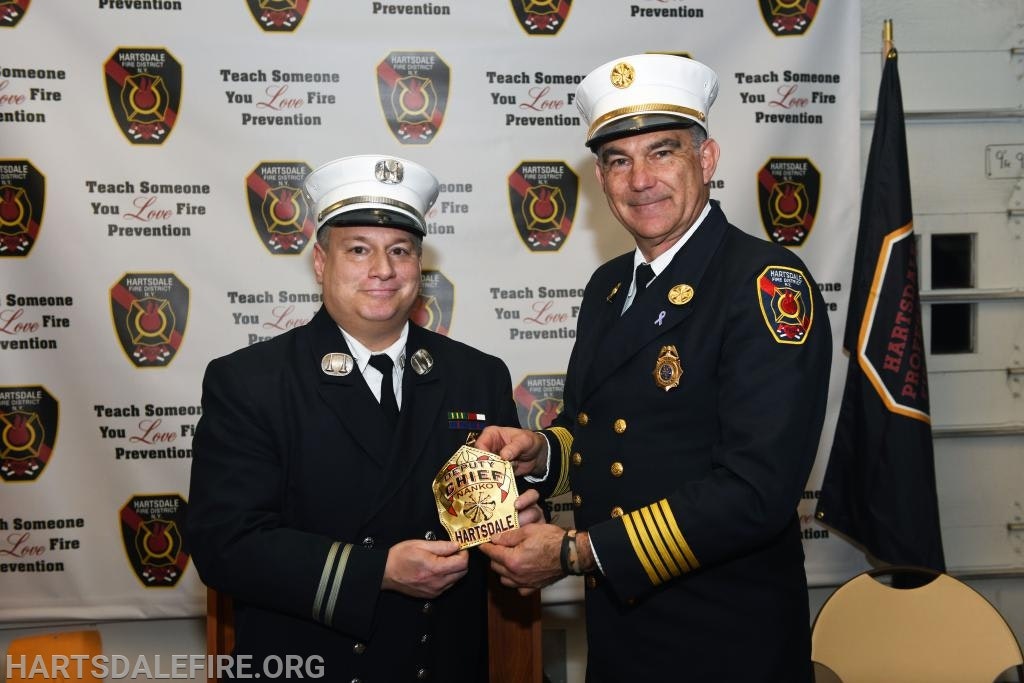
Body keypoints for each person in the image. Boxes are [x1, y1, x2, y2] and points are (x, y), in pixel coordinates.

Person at [476, 54, 833, 682]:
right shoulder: (610, 286)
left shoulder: (764, 284)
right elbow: (609, 437)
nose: (641, 179)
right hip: (621, 636)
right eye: (619, 160)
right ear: (601, 177)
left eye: (662, 152)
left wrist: (574, 552)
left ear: (708, 158)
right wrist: (540, 453)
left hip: (726, 645)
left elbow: (756, 492)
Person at [185, 154, 540, 681]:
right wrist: (377, 573)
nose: (383, 270)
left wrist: (513, 536)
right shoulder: (251, 382)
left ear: (419, 266)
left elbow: (484, 526)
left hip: (440, 662)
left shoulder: (476, 376)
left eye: (400, 251)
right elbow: (224, 546)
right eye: (359, 250)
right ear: (321, 263)